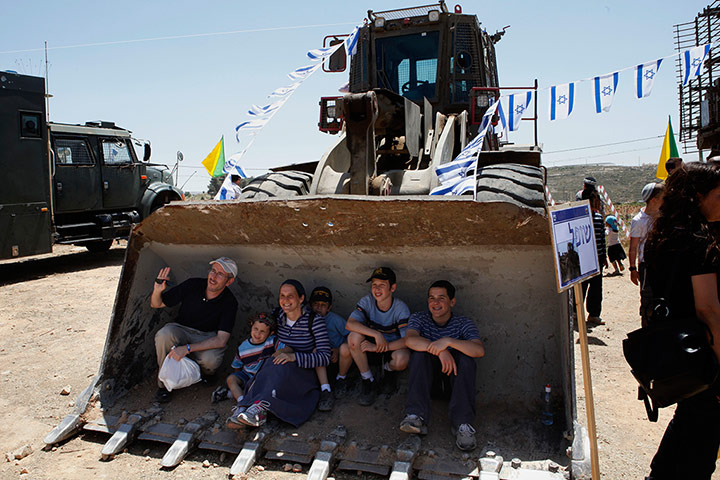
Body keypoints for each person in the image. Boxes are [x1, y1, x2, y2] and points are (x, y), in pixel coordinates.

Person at [642, 162, 720, 480]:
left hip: (677, 351)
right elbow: (708, 309)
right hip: (705, 350)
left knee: (690, 419)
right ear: (699, 197)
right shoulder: (699, 244)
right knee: (702, 439)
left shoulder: (663, 238)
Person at [227, 279, 330, 428]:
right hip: (277, 367)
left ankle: (259, 410)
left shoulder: (314, 321)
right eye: (282, 295)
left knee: (277, 365)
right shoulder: (278, 316)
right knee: (271, 363)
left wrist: (293, 356)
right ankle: (244, 409)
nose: (285, 300)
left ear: (301, 299)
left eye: (290, 296)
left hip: (302, 373)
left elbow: (325, 357)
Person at [401, 280, 485, 451]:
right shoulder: (419, 318)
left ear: (452, 302)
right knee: (419, 354)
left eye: (441, 298)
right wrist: (439, 351)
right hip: (428, 385)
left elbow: (478, 350)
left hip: (454, 387)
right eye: (431, 298)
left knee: (466, 358)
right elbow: (409, 340)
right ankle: (416, 416)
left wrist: (448, 342)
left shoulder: (463, 323)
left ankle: (463, 424)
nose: (435, 303)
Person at [152, 257, 239, 403]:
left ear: (229, 281)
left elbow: (221, 340)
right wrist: (157, 290)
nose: (213, 276)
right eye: (213, 271)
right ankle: (164, 385)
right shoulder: (193, 284)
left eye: (220, 275)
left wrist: (186, 349)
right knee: (164, 335)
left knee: (211, 359)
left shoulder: (230, 302)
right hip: (181, 330)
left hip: (206, 337)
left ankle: (207, 374)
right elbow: (156, 304)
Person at [346, 267, 411, 406]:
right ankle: (368, 379)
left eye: (382, 285)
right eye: (374, 285)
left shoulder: (401, 308)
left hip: (388, 349)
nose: (377, 289)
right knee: (353, 337)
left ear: (392, 288)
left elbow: (407, 341)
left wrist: (378, 347)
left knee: (403, 358)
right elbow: (350, 324)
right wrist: (376, 334)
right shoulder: (367, 301)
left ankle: (388, 372)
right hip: (369, 347)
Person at [211, 312, 278, 404]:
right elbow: (237, 367)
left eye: (263, 331)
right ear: (251, 326)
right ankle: (241, 401)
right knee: (231, 379)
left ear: (271, 333)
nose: (258, 334)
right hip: (247, 376)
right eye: (256, 329)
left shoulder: (272, 342)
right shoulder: (243, 348)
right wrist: (239, 380)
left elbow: (284, 349)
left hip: (263, 378)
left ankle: (230, 394)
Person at [309, 286, 350, 411]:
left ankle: (341, 379)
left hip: (337, 359)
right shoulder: (307, 318)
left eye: (323, 304)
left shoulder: (335, 320)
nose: (319, 308)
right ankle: (325, 388)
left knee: (346, 348)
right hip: (320, 361)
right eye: (316, 304)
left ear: (329, 307)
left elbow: (351, 336)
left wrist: (337, 349)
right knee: (317, 352)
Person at [629, 182, 665, 288]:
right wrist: (633, 268)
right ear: (654, 200)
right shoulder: (638, 220)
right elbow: (633, 246)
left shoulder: (664, 217)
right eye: (663, 198)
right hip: (647, 264)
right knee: (647, 297)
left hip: (663, 262)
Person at [581, 190, 606, 325]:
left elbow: (602, 238)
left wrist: (604, 256)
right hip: (583, 258)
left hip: (598, 258)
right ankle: (575, 312)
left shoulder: (598, 217)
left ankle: (594, 314)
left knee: (596, 287)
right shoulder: (579, 219)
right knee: (582, 286)